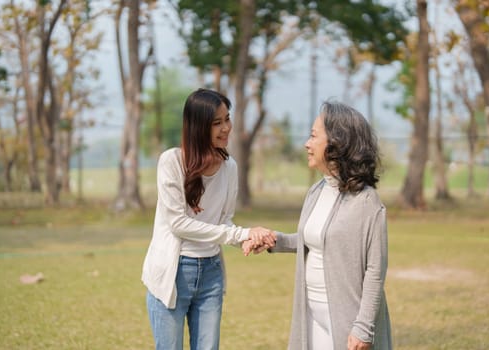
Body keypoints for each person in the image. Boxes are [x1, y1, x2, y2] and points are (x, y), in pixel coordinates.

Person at [244, 101, 392, 350]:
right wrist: (274, 240)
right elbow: (313, 240)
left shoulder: (366, 201)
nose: (307, 144)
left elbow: (376, 269)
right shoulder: (317, 190)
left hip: (348, 321)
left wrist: (364, 327)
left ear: (337, 143)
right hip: (312, 314)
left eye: (314, 136)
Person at [142, 88, 276, 350]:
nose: (226, 128)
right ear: (197, 126)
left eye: (227, 119)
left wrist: (246, 239)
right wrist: (240, 234)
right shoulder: (171, 161)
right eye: (217, 123)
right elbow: (178, 224)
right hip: (173, 272)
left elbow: (224, 221)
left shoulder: (230, 168)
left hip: (211, 274)